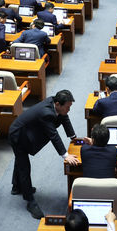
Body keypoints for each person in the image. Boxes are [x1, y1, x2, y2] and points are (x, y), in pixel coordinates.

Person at [8, 90, 83, 218]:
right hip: (18, 135)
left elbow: (65, 118)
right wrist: (65, 155)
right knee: (24, 166)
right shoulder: (46, 113)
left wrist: (74, 138)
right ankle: (30, 200)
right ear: (58, 104)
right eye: (68, 107)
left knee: (20, 161)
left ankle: (16, 187)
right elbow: (53, 135)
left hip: (27, 131)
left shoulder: (56, 104)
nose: (69, 110)